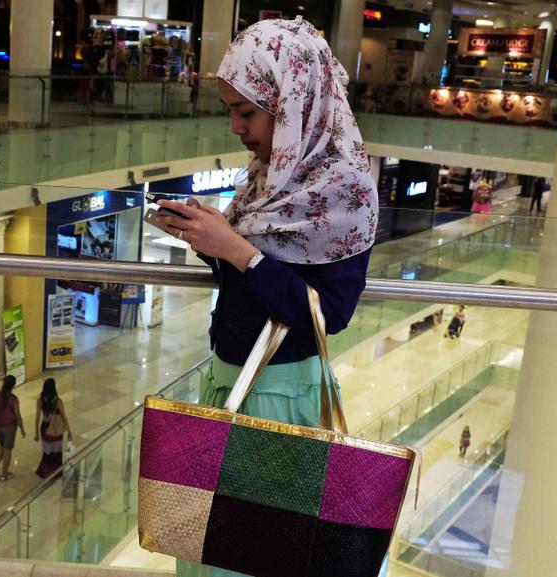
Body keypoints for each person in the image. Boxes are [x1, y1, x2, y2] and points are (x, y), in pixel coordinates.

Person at [155, 18, 377, 577]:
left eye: (246, 112)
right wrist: (208, 239)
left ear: (292, 102)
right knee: (208, 544)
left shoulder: (345, 189)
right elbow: (251, 279)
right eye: (230, 111)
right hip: (227, 381)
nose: (236, 128)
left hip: (279, 399)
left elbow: (329, 314)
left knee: (255, 553)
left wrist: (237, 250)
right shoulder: (270, 176)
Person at [0, 375, 24, 480]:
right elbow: (17, 416)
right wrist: (22, 429)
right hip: (9, 427)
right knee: (8, 450)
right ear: (13, 385)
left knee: (1, 445)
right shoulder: (14, 399)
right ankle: (4, 474)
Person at [34, 378, 72, 478]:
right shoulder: (58, 401)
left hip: (45, 429)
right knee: (57, 452)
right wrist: (69, 432)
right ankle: (56, 473)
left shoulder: (40, 400)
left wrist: (36, 433)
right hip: (57, 430)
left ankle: (46, 473)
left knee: (47, 452)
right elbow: (64, 417)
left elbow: (37, 417)